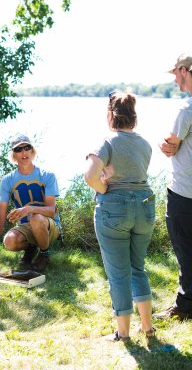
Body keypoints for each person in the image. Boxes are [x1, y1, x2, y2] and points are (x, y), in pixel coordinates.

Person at [84, 91, 155, 341]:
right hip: (145, 207)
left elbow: (90, 176)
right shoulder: (145, 144)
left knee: (118, 273)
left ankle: (122, 333)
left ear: (110, 115)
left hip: (115, 209)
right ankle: (148, 328)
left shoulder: (107, 142)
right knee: (138, 268)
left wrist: (104, 188)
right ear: (133, 116)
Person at [155, 54, 192, 320]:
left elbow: (170, 145)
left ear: (184, 70)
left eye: (176, 73)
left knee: (186, 250)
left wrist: (165, 143)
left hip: (185, 193)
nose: (175, 79)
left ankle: (185, 306)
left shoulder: (186, 110)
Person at [0, 134, 61, 272]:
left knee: (36, 219)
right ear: (13, 155)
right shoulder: (7, 180)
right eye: (18, 149)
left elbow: (52, 210)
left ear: (32, 151)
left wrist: (28, 209)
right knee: (9, 241)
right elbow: (1, 213)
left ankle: (44, 254)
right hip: (27, 226)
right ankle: (31, 249)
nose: (23, 152)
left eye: (27, 147)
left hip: (48, 225)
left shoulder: (47, 176)